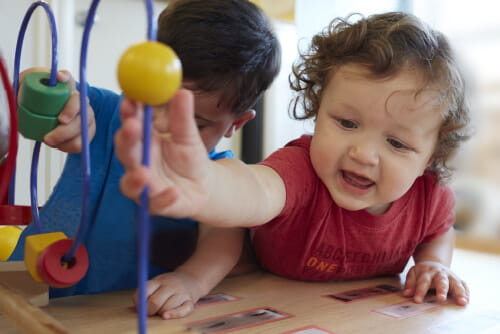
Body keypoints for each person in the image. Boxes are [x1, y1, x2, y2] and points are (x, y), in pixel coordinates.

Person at [116, 12, 471, 307]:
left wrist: (434, 264)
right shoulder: (301, 170)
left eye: (396, 142)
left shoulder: (430, 195)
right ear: (317, 111)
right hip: (261, 294)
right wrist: (205, 181)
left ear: (430, 157)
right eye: (346, 123)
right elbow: (255, 190)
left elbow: (438, 229)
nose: (362, 153)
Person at [9, 0, 280, 319]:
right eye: (153, 102)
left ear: (236, 124)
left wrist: (191, 280)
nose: (163, 125)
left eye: (196, 123)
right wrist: (56, 99)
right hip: (25, 294)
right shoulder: (104, 111)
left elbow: (223, 238)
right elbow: (40, 82)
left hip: (119, 312)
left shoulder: (215, 175)